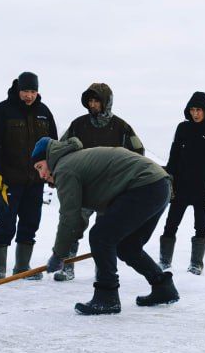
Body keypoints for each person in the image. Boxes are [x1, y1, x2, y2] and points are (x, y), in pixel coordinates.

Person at [33, 136, 178, 315]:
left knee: (100, 237)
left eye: (40, 167)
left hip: (144, 186)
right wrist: (63, 251)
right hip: (158, 185)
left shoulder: (64, 168)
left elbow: (68, 217)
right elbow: (78, 217)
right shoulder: (74, 162)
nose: (41, 175)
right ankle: (163, 287)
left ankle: (106, 296)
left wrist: (58, 254)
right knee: (127, 246)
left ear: (48, 158)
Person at [53, 83, 145, 282]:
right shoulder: (78, 125)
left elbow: (138, 154)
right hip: (83, 187)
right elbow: (60, 149)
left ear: (107, 103)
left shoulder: (121, 127)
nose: (93, 105)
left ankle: (102, 270)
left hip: (112, 190)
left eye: (97, 101)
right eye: (90, 101)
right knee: (74, 224)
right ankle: (66, 266)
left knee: (104, 232)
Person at [0, 72, 57, 279]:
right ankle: (0, 270)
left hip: (35, 180)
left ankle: (22, 267)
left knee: (31, 221)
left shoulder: (44, 112)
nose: (29, 96)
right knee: (5, 222)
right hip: (9, 180)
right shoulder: (3, 111)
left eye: (33, 91)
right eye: (26, 91)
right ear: (18, 89)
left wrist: (52, 171)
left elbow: (54, 145)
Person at [159, 91, 205, 274]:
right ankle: (164, 262)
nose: (195, 114)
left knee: (200, 226)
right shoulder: (182, 128)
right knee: (170, 224)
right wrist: (169, 179)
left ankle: (196, 264)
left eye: (198, 110)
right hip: (180, 186)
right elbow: (173, 156)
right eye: (192, 110)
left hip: (202, 189)